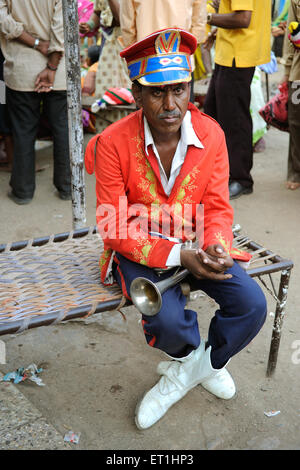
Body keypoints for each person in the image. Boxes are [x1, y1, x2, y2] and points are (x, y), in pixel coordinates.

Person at [84, 28, 267, 430]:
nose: (171, 104)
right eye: (156, 91)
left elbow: (217, 208)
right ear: (135, 93)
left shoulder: (211, 133)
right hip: (140, 248)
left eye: (180, 89)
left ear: (190, 88)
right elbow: (112, 225)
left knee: (252, 305)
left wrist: (215, 244)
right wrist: (174, 255)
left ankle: (193, 370)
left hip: (196, 242)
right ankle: (193, 363)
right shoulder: (112, 143)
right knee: (165, 321)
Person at [0, 0, 71, 204]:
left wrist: (35, 44)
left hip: (22, 68)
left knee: (23, 130)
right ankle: (67, 186)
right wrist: (52, 66)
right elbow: (62, 27)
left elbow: (4, 20)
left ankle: (22, 191)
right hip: (58, 73)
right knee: (62, 128)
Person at [203, 0, 271, 199]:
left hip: (238, 54)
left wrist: (207, 18)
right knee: (213, 112)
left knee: (234, 119)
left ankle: (241, 179)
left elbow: (243, 18)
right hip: (229, 51)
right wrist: (216, 30)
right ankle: (219, 173)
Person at [282, 0, 300, 190]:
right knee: (296, 121)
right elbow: (290, 34)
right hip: (298, 72)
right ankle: (296, 170)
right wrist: (287, 70)